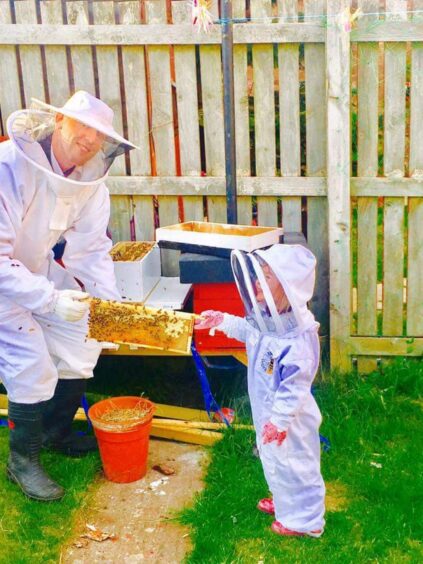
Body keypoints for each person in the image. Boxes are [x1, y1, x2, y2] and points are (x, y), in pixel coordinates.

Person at [0, 90, 137, 501]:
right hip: (3, 284)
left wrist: (108, 307)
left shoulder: (90, 182)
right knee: (31, 363)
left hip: (36, 274)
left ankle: (58, 432)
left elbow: (91, 249)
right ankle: (22, 461)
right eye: (82, 127)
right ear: (59, 121)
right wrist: (47, 298)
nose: (90, 140)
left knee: (84, 338)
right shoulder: (9, 167)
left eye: (99, 135)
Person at [195, 244, 325, 537]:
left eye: (267, 278)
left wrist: (279, 423)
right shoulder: (269, 318)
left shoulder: (298, 338)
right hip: (267, 410)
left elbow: (295, 387)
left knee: (296, 465)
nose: (258, 282)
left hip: (290, 420)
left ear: (288, 289)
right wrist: (223, 321)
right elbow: (250, 332)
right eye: (259, 275)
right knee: (273, 459)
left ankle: (306, 521)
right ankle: (284, 503)